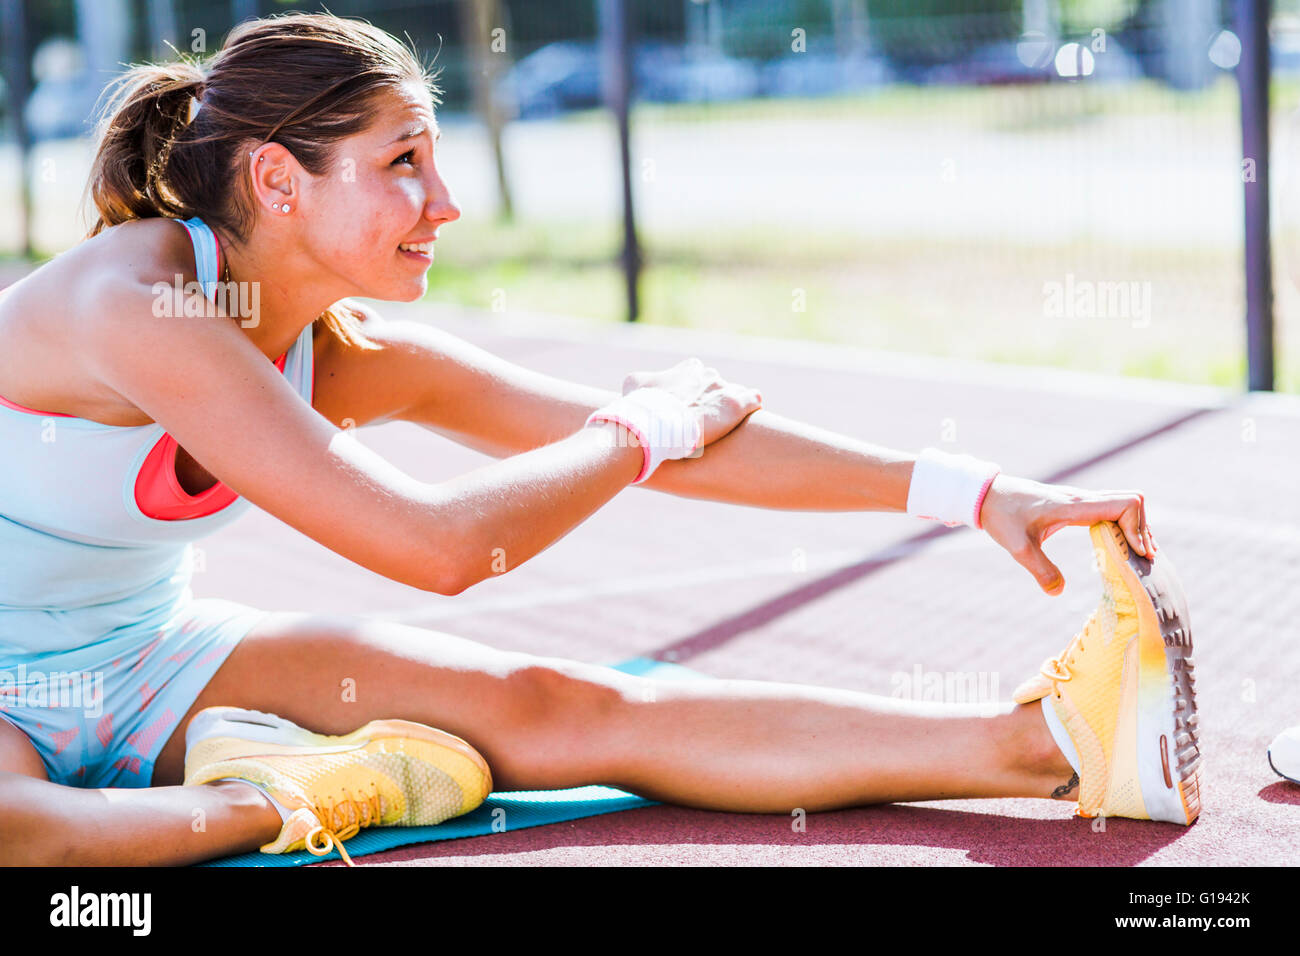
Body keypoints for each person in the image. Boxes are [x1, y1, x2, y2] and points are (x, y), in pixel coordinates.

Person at [0, 13, 1199, 867]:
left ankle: (1043, 746)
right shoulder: (132, 305)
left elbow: (676, 442)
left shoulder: (340, 348)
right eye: (402, 162)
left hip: (145, 654)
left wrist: (979, 491)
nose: (447, 202)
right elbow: (438, 545)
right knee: (28, 837)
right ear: (277, 179)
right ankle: (294, 791)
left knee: (557, 700)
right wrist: (637, 429)